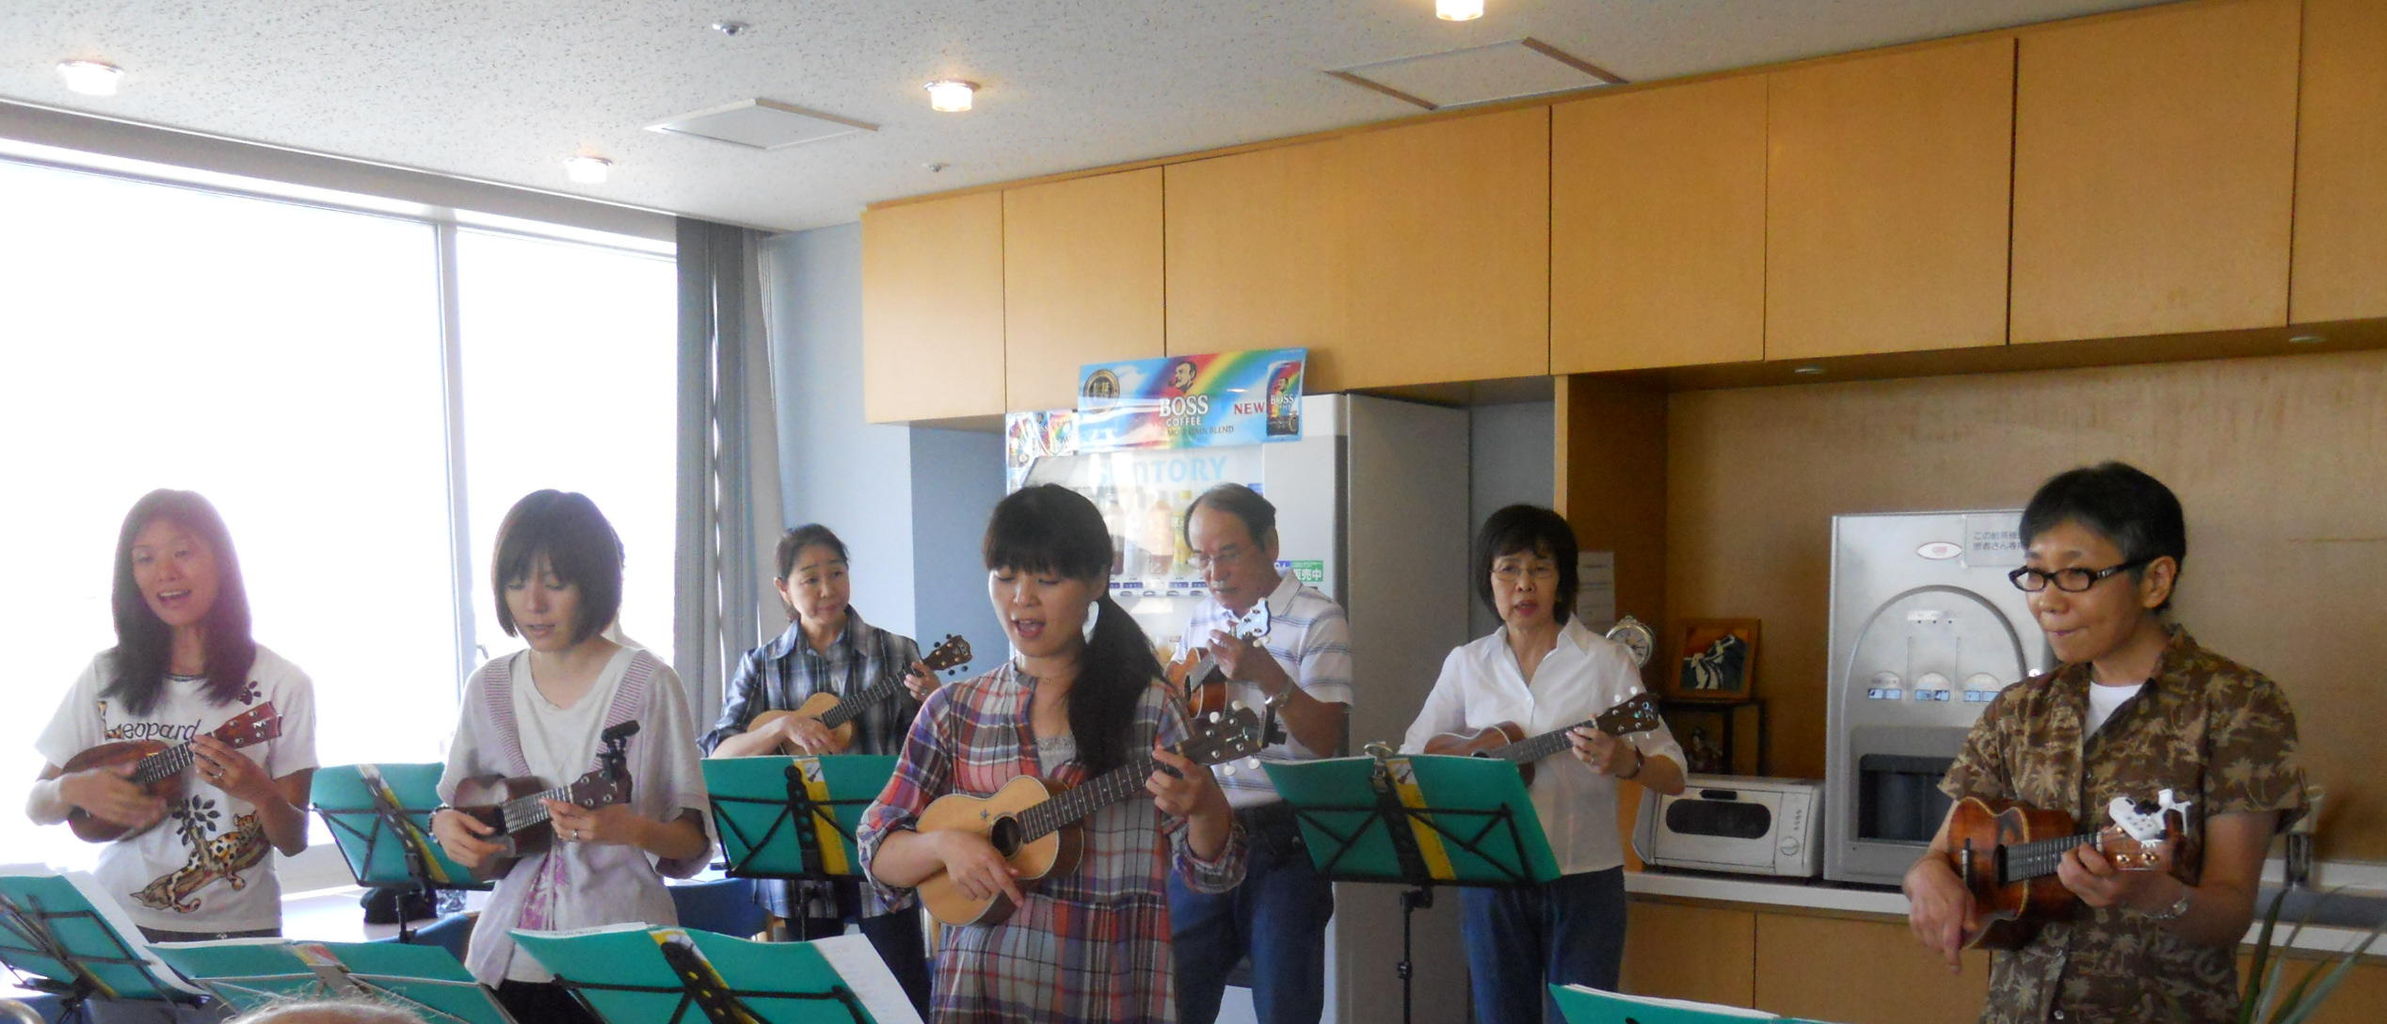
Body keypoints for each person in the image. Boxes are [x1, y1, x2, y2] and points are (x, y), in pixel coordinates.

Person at [1903, 462, 2307, 1023]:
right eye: (2035, 574)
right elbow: (1938, 854)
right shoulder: (2019, 709)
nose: (2047, 600)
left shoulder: (2237, 704)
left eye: (2076, 575)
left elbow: (2230, 911)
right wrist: (1926, 880)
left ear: (2155, 580)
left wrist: (2152, 894)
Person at [858, 483, 1246, 1023]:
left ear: (1097, 581)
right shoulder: (955, 710)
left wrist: (1204, 808)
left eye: (1047, 579)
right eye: (1006, 576)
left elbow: (1214, 874)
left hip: (1107, 998)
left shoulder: (1150, 709)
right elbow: (876, 848)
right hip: (980, 1001)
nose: (1023, 598)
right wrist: (945, 845)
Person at [430, 490, 711, 1024]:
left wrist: (631, 829)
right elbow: (456, 805)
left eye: (555, 584)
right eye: (516, 583)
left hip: (622, 957)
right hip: (508, 956)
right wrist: (443, 824)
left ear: (595, 585)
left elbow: (693, 842)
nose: (533, 604)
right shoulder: (489, 686)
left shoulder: (648, 683)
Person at [1400, 504, 1686, 1024]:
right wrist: (1465, 780)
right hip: (1490, 876)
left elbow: (1674, 773)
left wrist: (1627, 761)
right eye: (1508, 569)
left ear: (1562, 580)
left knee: (1580, 1020)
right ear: (1489, 580)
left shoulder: (1605, 661)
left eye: (1540, 569)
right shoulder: (1467, 663)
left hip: (1582, 879)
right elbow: (1413, 757)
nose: (1524, 585)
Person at [28, 490, 320, 947]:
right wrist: (71, 789)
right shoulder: (106, 674)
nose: (165, 572)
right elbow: (36, 806)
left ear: (221, 561)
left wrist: (259, 793)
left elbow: (294, 840)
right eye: (145, 558)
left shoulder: (282, 683)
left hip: (239, 932)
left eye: (183, 552)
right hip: (119, 923)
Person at [699, 523, 937, 1012]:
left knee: (901, 1002)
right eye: (810, 578)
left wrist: (936, 701)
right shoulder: (762, 665)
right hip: (796, 866)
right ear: (784, 589)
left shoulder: (896, 652)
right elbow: (718, 754)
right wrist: (780, 726)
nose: (827, 589)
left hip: (883, 856)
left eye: (837, 573)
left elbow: (934, 753)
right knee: (809, 1006)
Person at [1167, 483, 1350, 1024]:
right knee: (1175, 999)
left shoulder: (1319, 618)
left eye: (1228, 554)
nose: (1214, 573)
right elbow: (1179, 711)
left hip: (1283, 839)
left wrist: (1268, 675)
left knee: (1283, 1006)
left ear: (1270, 544)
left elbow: (1325, 738)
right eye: (1202, 558)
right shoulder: (1201, 618)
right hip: (1205, 832)